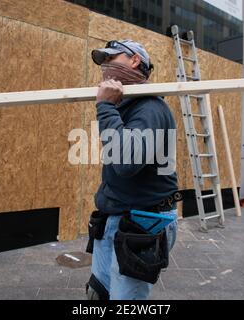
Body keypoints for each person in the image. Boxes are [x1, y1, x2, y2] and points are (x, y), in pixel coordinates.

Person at [86, 39, 180, 300]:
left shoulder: (150, 108)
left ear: (134, 60)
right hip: (115, 214)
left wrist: (105, 107)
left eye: (111, 58)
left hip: (144, 220)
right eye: (102, 61)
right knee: (100, 292)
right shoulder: (125, 105)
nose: (105, 66)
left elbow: (126, 162)